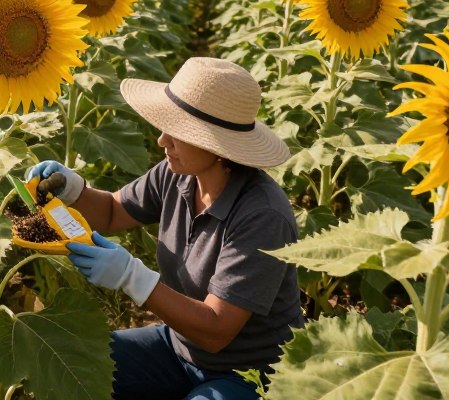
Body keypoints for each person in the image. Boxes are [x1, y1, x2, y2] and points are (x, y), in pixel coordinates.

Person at [28, 57, 304, 400]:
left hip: (252, 373)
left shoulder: (262, 215)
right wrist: (73, 190)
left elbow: (217, 331)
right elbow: (114, 212)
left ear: (216, 146)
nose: (162, 140)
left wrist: (132, 276)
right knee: (75, 358)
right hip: (178, 348)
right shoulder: (178, 173)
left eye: (177, 131)